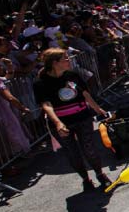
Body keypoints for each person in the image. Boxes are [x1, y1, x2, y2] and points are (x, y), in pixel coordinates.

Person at [33, 48, 111, 191]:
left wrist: (97, 109)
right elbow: (46, 105)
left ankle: (100, 174)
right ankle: (85, 179)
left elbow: (85, 94)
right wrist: (58, 123)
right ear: (55, 63)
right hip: (61, 122)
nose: (69, 60)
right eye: (65, 59)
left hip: (82, 117)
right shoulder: (40, 83)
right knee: (72, 153)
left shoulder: (73, 75)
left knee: (89, 149)